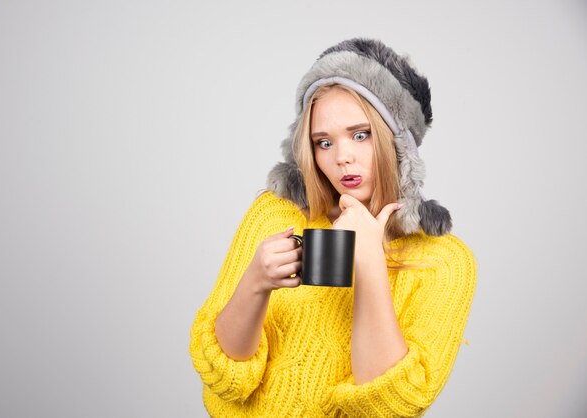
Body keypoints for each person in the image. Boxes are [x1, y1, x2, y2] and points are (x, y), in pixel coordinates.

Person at [189, 38, 476, 417]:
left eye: (361, 135)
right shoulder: (274, 215)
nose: (342, 157)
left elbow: (388, 408)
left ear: (399, 143)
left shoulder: (444, 261)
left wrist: (370, 260)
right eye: (323, 142)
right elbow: (225, 378)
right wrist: (255, 283)